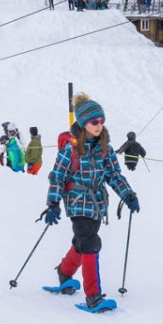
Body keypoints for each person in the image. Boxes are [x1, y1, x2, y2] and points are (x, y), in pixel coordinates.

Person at [41, 93, 140, 312]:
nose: (99, 125)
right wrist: (53, 203)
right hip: (77, 202)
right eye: (94, 121)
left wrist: (128, 195)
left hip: (97, 203)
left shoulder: (105, 149)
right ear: (84, 123)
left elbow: (114, 175)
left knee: (82, 241)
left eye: (101, 121)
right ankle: (93, 296)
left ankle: (65, 272)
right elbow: (57, 176)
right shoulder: (72, 149)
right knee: (91, 243)